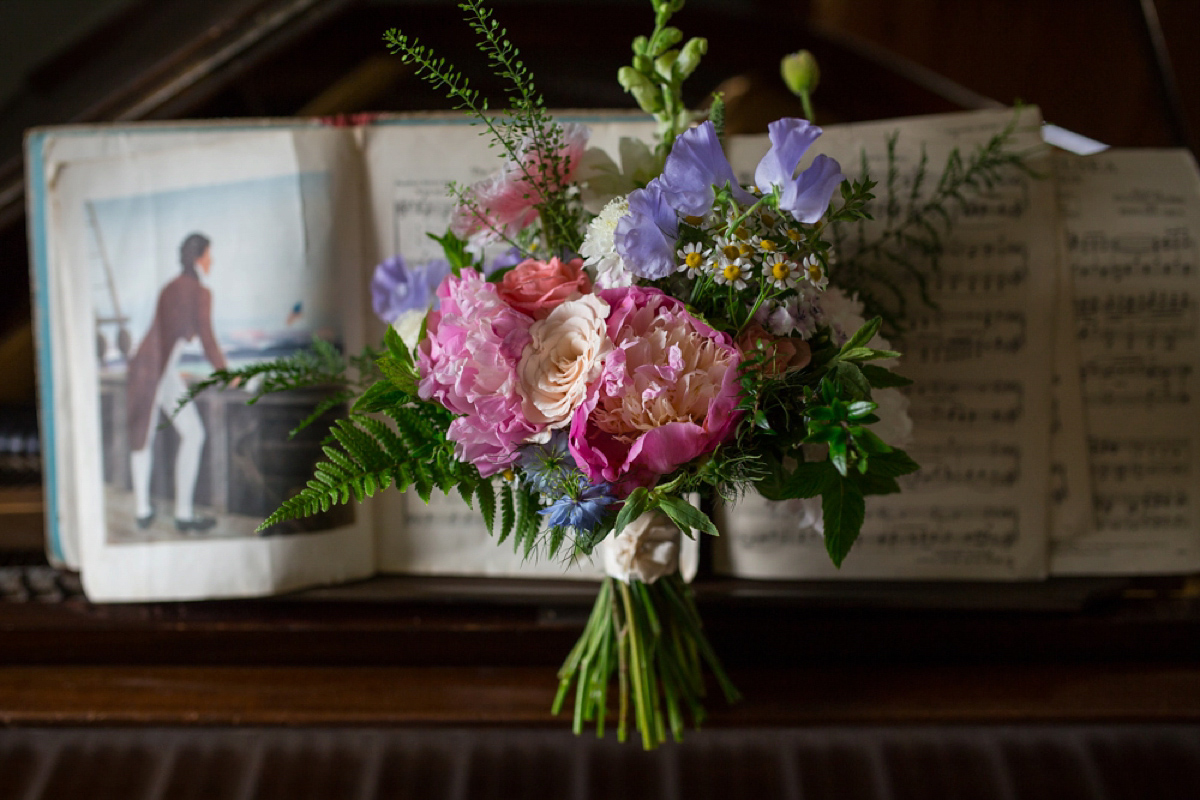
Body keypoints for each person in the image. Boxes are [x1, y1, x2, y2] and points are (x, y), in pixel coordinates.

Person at [126, 233, 228, 532]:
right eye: (209, 255)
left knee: (142, 438)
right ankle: (181, 515)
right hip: (156, 372)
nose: (211, 261)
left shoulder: (169, 287)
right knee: (191, 435)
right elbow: (207, 339)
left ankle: (144, 510)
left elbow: (168, 334)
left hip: (148, 368)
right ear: (198, 258)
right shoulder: (200, 292)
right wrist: (228, 374)